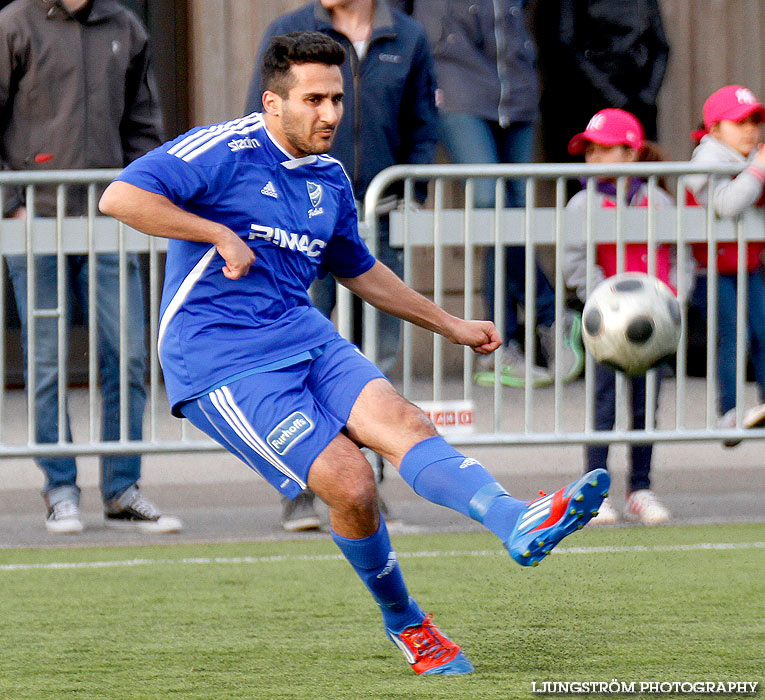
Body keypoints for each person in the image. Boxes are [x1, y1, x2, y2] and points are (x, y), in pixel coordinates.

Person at [99, 31, 608, 675]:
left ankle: (517, 521)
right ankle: (408, 623)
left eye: (337, 99)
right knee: (352, 483)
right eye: (314, 100)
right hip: (220, 359)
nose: (331, 115)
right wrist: (215, 232)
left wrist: (448, 322)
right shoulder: (223, 149)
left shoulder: (330, 177)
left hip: (304, 335)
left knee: (407, 425)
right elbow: (119, 196)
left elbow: (358, 269)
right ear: (272, 103)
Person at [245, 0, 438, 531]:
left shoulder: (408, 36)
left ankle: (369, 488)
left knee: (379, 363)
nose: (329, 108)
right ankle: (303, 490)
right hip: (296, 222)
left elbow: (424, 124)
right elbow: (256, 121)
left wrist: (409, 190)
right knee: (296, 360)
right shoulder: (288, 30)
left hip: (377, 211)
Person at [0, 0, 181, 534]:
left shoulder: (125, 25)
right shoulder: (15, 23)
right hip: (34, 219)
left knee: (125, 353)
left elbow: (143, 123)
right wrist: (9, 203)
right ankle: (60, 489)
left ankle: (122, 489)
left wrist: (142, 194)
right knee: (46, 360)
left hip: (109, 220)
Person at [392, 0, 584, 388]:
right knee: (488, 201)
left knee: (511, 214)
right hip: (456, 84)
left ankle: (503, 344)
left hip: (517, 86)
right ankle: (548, 315)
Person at [564, 108, 692, 525]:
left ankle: (641, 489)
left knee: (644, 409)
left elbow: (679, 256)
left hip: (653, 328)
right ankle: (595, 493)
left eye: (605, 150)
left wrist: (670, 302)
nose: (596, 160)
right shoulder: (582, 202)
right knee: (603, 407)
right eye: (590, 152)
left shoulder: (658, 198)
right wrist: (604, 304)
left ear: (631, 152)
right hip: (607, 328)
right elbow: (576, 262)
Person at [685, 85, 765, 446]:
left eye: (755, 121)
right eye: (740, 122)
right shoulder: (706, 158)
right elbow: (726, 204)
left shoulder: (747, 159)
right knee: (733, 338)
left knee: (763, 333)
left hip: (747, 264)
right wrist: (759, 172)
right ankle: (729, 414)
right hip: (711, 269)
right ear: (715, 129)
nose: (751, 129)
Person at [537, 0, 669, 166]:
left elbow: (661, 46)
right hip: (586, 102)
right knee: (589, 179)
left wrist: (647, 94)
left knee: (642, 177)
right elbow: (566, 43)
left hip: (638, 102)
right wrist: (611, 94)